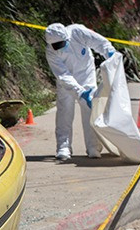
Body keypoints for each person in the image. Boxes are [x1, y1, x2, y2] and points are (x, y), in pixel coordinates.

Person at [44, 23, 116, 161]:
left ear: (67, 37)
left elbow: (99, 42)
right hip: (67, 83)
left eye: (61, 43)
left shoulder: (78, 32)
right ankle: (63, 147)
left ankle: (93, 146)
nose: (59, 47)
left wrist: (110, 53)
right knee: (64, 112)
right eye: (56, 45)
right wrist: (79, 92)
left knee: (90, 110)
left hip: (86, 75)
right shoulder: (51, 51)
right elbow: (63, 74)